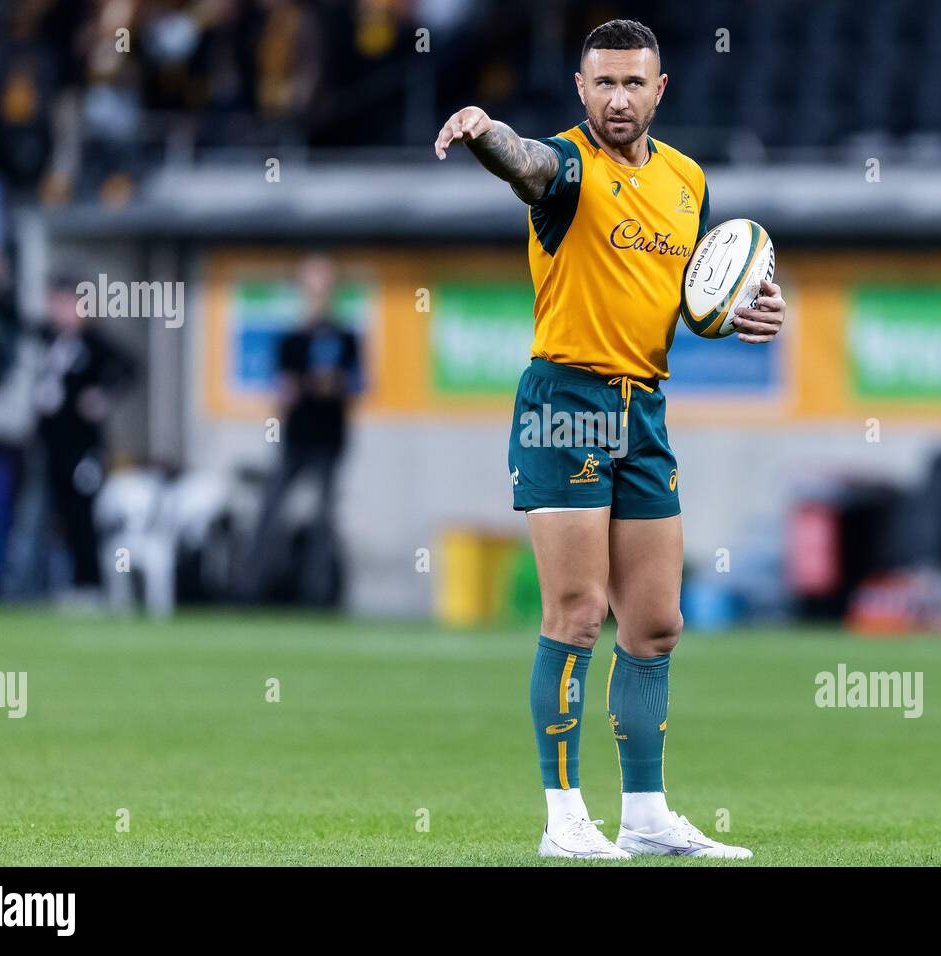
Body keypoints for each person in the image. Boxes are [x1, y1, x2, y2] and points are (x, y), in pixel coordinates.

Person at [434, 19, 786, 859]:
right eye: (603, 84)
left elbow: (678, 299)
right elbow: (526, 162)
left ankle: (647, 814)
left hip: (644, 408)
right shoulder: (565, 168)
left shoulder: (687, 180)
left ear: (660, 90)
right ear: (581, 90)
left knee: (657, 622)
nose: (618, 99)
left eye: (634, 84)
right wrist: (488, 135)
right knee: (578, 610)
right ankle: (563, 819)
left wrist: (735, 315)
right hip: (567, 399)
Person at [244, 254, 360, 604]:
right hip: (295, 439)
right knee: (270, 509)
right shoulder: (291, 339)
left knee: (323, 521)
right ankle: (251, 590)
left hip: (329, 440)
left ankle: (319, 595)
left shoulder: (344, 337)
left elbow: (349, 384)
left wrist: (321, 386)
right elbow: (285, 389)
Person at [32, 276, 138, 594]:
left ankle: (90, 583)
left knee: (83, 513)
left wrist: (102, 395)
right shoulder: (48, 340)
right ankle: (52, 583)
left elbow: (130, 367)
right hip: (50, 444)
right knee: (56, 515)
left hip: (84, 446)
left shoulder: (95, 343)